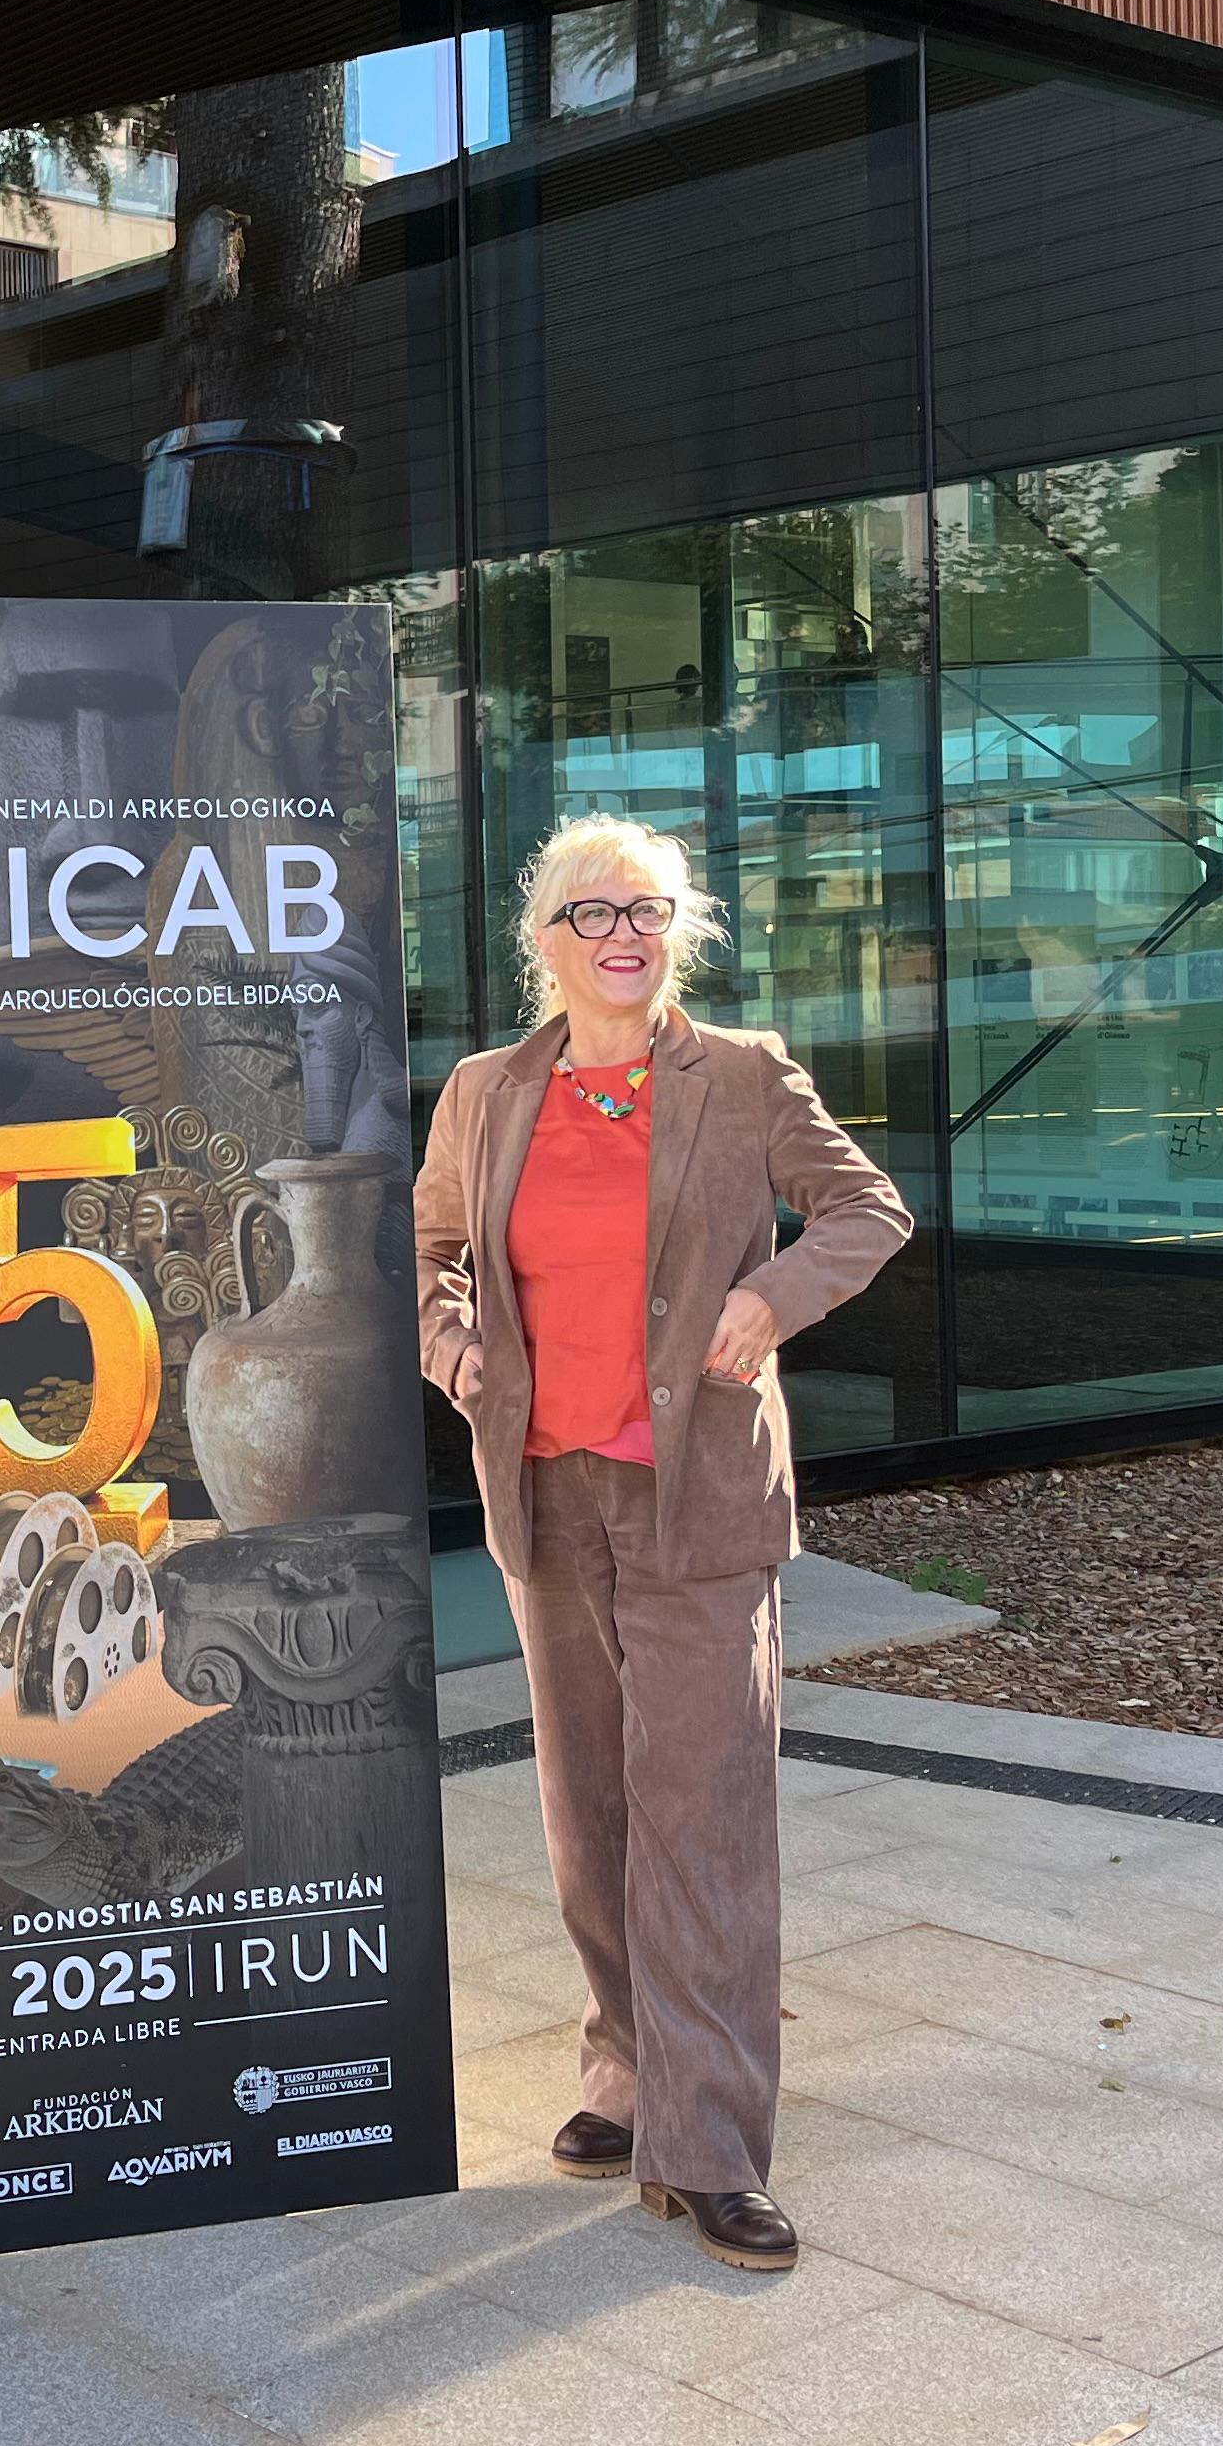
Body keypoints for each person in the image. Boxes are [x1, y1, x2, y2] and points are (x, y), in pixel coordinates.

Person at [410, 811, 910, 2268]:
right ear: (546, 941)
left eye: (648, 910)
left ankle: (710, 2145)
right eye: (592, 912)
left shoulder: (743, 1075)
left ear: (678, 933)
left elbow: (866, 1211)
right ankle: (624, 2078)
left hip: (696, 1495)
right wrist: (456, 1354)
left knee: (700, 1816)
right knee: (591, 1814)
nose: (622, 933)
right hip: (548, 1490)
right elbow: (430, 1251)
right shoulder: (486, 1093)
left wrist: (773, 1299)